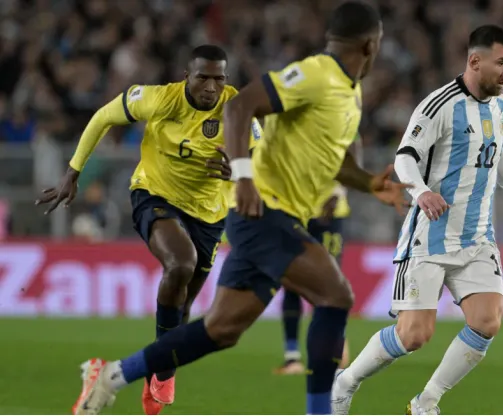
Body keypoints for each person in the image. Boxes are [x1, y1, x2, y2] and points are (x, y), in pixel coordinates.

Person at [71, 2, 409, 415]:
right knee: (335, 296)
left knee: (221, 330)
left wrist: (371, 182)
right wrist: (244, 175)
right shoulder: (318, 74)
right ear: (372, 45)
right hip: (263, 211)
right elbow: (239, 106)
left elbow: (335, 163)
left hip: (278, 218)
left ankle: (112, 376)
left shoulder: (349, 95)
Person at [332, 25, 503, 415]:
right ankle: (345, 382)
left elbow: (496, 153)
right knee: (414, 336)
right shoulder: (438, 105)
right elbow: (404, 157)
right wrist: (421, 191)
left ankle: (426, 401)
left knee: (487, 321)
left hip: (478, 237)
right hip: (430, 238)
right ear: (474, 61)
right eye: (502, 63)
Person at [36, 45, 260, 415]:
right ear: (187, 75)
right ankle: (161, 374)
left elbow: (263, 155)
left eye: (218, 78)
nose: (210, 86)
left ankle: (134, 374)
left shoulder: (238, 109)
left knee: (184, 305)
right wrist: (72, 172)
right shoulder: (157, 99)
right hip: (155, 195)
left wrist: (242, 167)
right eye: (202, 76)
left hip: (209, 215)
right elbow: (102, 117)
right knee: (181, 264)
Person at [273, 135, 362, 375]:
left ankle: (334, 345)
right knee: (291, 280)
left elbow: (355, 161)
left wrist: (338, 192)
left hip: (329, 214)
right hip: (296, 211)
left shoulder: (344, 116)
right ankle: (292, 358)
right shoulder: (295, 117)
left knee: (329, 282)